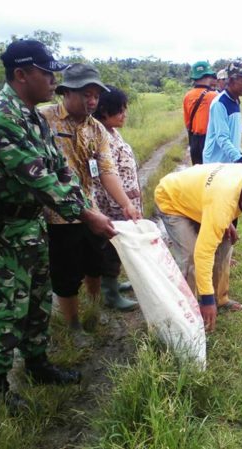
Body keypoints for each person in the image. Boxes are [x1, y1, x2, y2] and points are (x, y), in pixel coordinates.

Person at [0, 40, 117, 410]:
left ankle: (37, 364)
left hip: (30, 225)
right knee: (2, 307)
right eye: (47, 73)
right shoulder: (0, 116)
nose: (54, 80)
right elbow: (38, 178)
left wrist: (84, 206)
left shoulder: (32, 115)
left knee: (35, 300)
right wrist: (87, 215)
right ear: (21, 74)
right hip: (1, 230)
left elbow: (59, 170)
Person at [41, 64, 142, 330]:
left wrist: (126, 204)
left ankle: (95, 311)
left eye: (96, 95)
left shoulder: (97, 129)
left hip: (91, 208)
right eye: (86, 94)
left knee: (94, 264)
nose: (92, 100)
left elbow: (107, 171)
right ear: (66, 92)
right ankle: (73, 326)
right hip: (57, 214)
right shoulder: (43, 119)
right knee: (66, 274)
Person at [154, 163, 242, 332]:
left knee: (225, 244)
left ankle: (221, 299)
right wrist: (206, 300)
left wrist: (227, 222)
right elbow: (203, 254)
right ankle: (190, 312)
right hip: (172, 198)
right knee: (191, 256)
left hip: (202, 199)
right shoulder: (221, 206)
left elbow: (221, 198)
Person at [92, 85, 141, 311]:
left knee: (118, 246)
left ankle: (113, 283)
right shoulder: (100, 136)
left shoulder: (111, 131)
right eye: (119, 110)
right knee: (111, 247)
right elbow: (104, 175)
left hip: (124, 202)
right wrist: (121, 205)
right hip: (112, 206)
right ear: (104, 111)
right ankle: (110, 293)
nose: (124, 114)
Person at [203, 61, 242, 165]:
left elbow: (230, 130)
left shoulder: (235, 100)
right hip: (215, 163)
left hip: (227, 162)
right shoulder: (220, 103)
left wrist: (239, 126)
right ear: (231, 80)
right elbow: (222, 138)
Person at [183, 61, 217, 165]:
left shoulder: (187, 96)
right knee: (210, 174)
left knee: (197, 172)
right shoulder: (214, 96)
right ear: (208, 76)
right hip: (209, 140)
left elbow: (188, 123)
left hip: (194, 141)